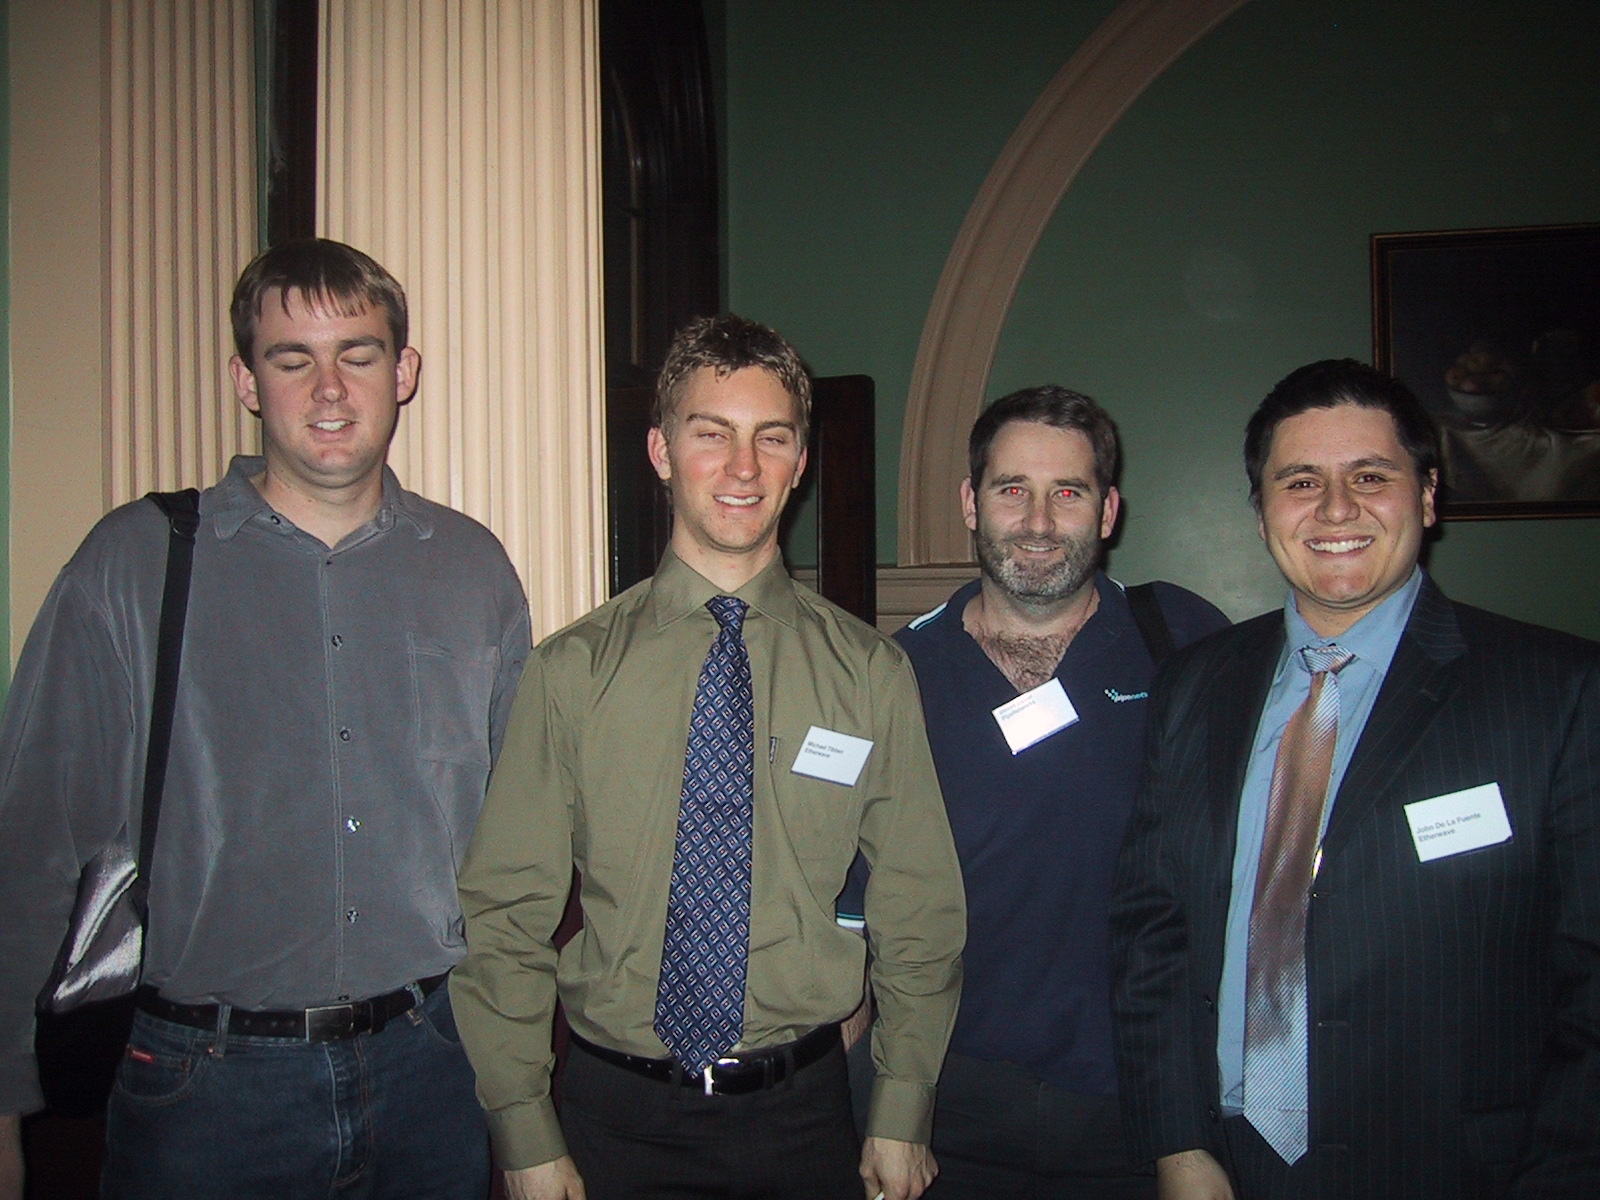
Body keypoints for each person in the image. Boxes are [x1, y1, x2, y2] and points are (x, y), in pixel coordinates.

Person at [0, 238, 531, 1200]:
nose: (329, 389)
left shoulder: (473, 569)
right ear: (246, 380)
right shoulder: (134, 563)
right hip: (206, 1094)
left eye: (358, 355)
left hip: (431, 1072)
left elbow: (513, 844)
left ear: (404, 373)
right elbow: (32, 833)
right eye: (293, 359)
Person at [450, 313, 966, 1200]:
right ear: (661, 451)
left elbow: (919, 905)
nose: (743, 468)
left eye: (772, 438)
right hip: (613, 1119)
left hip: (805, 1120)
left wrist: (903, 1102)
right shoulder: (571, 672)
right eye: (711, 434)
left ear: (800, 463)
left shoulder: (870, 674)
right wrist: (523, 1128)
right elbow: (505, 915)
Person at [1110, 359, 1600, 1199]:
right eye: (1301, 481)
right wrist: (1177, 1143)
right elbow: (1151, 929)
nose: (1336, 508)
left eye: (1370, 476)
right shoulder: (1193, 683)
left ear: (1429, 497)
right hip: (1228, 1163)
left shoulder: (1559, 692)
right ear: (1262, 512)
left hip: (1459, 1170)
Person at [837, 385, 1227, 1197]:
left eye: (1069, 493)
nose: (1039, 522)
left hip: (1145, 1107)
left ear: (1108, 511)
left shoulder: (1183, 640)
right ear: (970, 503)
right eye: (1012, 489)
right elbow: (851, 906)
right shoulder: (894, 675)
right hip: (948, 1106)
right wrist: (862, 1105)